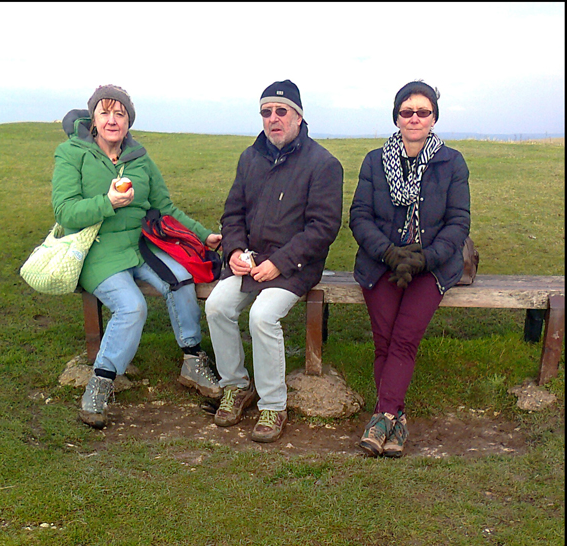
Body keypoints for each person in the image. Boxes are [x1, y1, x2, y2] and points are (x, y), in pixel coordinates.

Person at [51, 84, 223, 429]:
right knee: (132, 306)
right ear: (93, 119)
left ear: (129, 121)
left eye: (120, 114)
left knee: (181, 279)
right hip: (99, 249)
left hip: (142, 245)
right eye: (106, 112)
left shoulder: (140, 158)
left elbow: (165, 207)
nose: (113, 120)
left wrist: (205, 235)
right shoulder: (72, 153)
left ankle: (192, 359)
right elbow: (65, 210)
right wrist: (107, 203)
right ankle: (100, 383)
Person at [205, 80, 343, 443]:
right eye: (266, 112)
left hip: (296, 265)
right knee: (218, 305)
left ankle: (273, 404)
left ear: (298, 116)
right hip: (251, 261)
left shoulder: (323, 164)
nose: (273, 118)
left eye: (281, 111)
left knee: (262, 316)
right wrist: (234, 251)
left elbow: (323, 228)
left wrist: (280, 263)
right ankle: (236, 386)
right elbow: (232, 212)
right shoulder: (250, 158)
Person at [349, 80, 470, 458]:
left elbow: (458, 222)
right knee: (384, 340)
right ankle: (396, 421)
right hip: (381, 262)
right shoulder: (374, 160)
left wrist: (423, 259)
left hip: (431, 266)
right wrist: (389, 253)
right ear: (396, 117)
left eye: (423, 112)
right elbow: (359, 216)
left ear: (434, 118)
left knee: (403, 338)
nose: (414, 118)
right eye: (407, 111)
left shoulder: (452, 162)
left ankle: (382, 416)